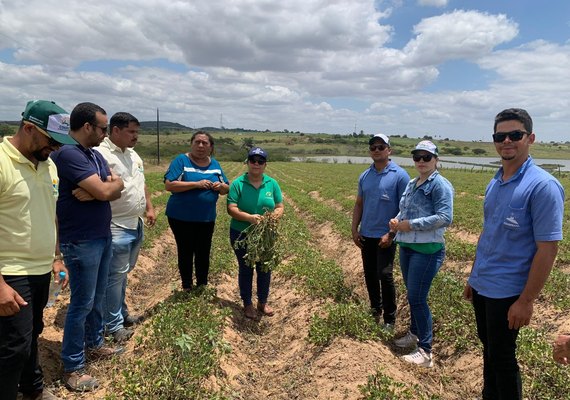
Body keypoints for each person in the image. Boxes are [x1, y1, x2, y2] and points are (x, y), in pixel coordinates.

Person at [463, 108, 564, 399]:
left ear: (530, 138)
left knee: (503, 359)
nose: (506, 140)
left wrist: (526, 300)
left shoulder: (543, 186)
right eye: (500, 136)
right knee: (490, 352)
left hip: (507, 293)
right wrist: (474, 276)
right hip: (484, 286)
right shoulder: (496, 181)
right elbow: (488, 233)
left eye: (515, 135)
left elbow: (548, 249)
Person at [0, 100, 75, 400]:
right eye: (51, 140)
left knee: (32, 334)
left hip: (42, 268)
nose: (55, 148)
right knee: (13, 346)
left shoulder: (48, 165)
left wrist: (57, 259)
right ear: (28, 128)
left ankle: (32, 389)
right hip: (9, 271)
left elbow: (50, 212)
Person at [50, 102, 125, 392]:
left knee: (96, 297)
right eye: (103, 128)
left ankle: (95, 344)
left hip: (100, 234)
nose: (106, 134)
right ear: (86, 127)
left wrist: (101, 191)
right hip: (80, 239)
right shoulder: (68, 154)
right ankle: (73, 365)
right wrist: (104, 190)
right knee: (81, 303)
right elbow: (108, 189)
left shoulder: (92, 154)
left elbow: (115, 186)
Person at [389, 140, 453, 368]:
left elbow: (445, 217)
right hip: (407, 246)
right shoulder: (413, 183)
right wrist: (398, 220)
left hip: (427, 250)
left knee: (417, 298)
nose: (422, 161)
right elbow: (405, 209)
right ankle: (415, 334)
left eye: (427, 157)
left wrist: (410, 225)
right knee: (412, 294)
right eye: (418, 157)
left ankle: (425, 352)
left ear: (436, 159)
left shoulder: (440, 185)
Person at [94, 112, 156, 343]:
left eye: (137, 132)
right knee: (114, 277)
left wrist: (149, 207)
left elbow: (142, 183)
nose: (135, 137)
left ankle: (120, 313)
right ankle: (113, 325)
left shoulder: (133, 155)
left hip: (134, 223)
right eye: (131, 132)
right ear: (115, 130)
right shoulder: (100, 153)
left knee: (122, 274)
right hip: (114, 224)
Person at [351, 133, 409, 330]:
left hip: (385, 236)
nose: (377, 150)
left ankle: (390, 319)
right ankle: (375, 309)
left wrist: (391, 234)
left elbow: (405, 208)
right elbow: (359, 204)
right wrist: (354, 229)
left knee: (385, 275)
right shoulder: (365, 176)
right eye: (373, 147)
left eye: (381, 147)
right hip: (366, 234)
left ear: (389, 150)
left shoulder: (400, 176)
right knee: (369, 273)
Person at [164, 131, 229, 291]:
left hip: (206, 218)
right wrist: (196, 184)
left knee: (203, 251)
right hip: (181, 217)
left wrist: (220, 187)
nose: (200, 146)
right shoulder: (181, 161)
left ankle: (202, 285)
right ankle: (187, 285)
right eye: (197, 142)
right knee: (185, 250)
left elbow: (226, 188)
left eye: (205, 143)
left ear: (211, 147)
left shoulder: (215, 164)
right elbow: (170, 184)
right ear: (191, 144)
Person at [227, 147, 284, 319]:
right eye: (253, 160)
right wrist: (249, 218)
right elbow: (231, 208)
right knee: (245, 268)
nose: (256, 164)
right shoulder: (238, 184)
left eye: (260, 161)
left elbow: (280, 207)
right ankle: (247, 304)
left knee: (264, 268)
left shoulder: (271, 183)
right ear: (248, 163)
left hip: (265, 234)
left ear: (265, 164)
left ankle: (262, 302)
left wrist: (273, 216)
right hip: (241, 233)